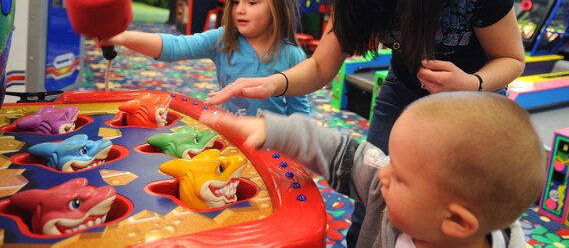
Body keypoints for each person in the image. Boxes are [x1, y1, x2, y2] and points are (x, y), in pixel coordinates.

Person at [204, 0, 525, 244]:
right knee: (377, 192)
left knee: (460, 204)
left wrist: (471, 84)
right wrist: (271, 83)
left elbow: (512, 59)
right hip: (404, 91)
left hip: (475, 100)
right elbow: (322, 65)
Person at [201, 91, 546, 248]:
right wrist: (274, 131)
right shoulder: (385, 194)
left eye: (400, 175)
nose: (384, 174)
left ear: (457, 221)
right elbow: (340, 150)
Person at [99, 0, 310, 117]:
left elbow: (300, 113)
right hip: (231, 138)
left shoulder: (293, 56)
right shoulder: (224, 39)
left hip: (271, 147)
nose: (240, 10)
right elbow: (175, 47)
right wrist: (123, 37)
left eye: (252, 3)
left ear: (278, 8)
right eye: (236, 1)